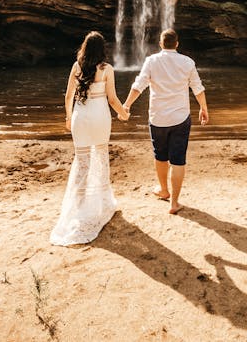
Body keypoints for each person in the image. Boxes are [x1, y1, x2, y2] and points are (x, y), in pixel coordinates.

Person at [50, 31, 129, 246]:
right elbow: (112, 99)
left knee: (82, 161)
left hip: (80, 117)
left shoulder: (77, 67)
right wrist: (123, 114)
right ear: (102, 49)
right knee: (101, 158)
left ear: (84, 47)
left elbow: (68, 96)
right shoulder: (106, 69)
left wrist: (68, 117)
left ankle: (79, 203)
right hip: (100, 117)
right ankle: (102, 204)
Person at [123, 28, 208, 215]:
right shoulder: (187, 62)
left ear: (161, 44)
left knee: (160, 156)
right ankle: (174, 203)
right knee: (178, 160)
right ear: (177, 44)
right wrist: (203, 108)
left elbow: (139, 85)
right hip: (180, 118)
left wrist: (126, 105)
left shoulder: (151, 61)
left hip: (157, 118)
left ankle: (163, 190)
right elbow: (197, 88)